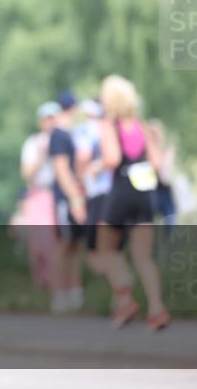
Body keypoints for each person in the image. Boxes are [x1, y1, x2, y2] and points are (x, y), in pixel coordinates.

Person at [97, 75, 170, 331]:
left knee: (107, 247)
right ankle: (157, 308)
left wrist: (95, 168)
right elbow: (158, 164)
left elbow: (112, 158)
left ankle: (124, 294)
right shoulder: (142, 126)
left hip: (122, 189)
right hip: (144, 192)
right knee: (143, 256)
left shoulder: (110, 125)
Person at [49, 91, 86, 313]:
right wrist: (75, 199)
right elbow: (61, 171)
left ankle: (74, 293)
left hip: (73, 197)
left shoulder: (69, 134)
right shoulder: (59, 135)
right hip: (66, 199)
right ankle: (60, 295)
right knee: (64, 246)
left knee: (74, 246)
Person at [19, 102, 60, 290]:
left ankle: (57, 287)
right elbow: (26, 174)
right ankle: (42, 286)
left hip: (58, 195)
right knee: (38, 248)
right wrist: (43, 155)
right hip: (38, 196)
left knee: (54, 245)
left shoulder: (64, 140)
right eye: (46, 119)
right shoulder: (33, 143)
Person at [73, 99, 112, 279]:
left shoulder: (86, 130)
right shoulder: (111, 127)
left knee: (93, 248)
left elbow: (83, 157)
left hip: (95, 192)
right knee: (112, 245)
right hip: (115, 191)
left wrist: (79, 184)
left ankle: (114, 283)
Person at [147, 119, 178, 233]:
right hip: (151, 191)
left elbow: (168, 172)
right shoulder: (146, 152)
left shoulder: (164, 150)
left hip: (165, 190)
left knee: (170, 223)